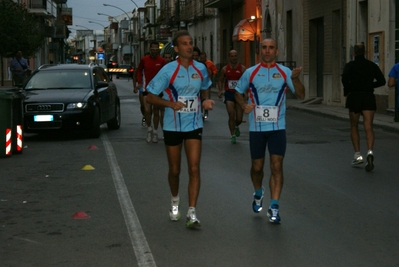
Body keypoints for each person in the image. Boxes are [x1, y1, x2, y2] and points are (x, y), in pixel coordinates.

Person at [146, 30, 214, 227]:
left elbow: (206, 86)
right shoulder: (168, 70)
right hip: (172, 125)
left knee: (194, 168)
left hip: (194, 123)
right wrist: (170, 104)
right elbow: (150, 96)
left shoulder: (200, 68)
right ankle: (175, 202)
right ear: (176, 49)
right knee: (175, 170)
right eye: (184, 44)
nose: (189, 46)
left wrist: (206, 99)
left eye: (191, 43)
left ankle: (192, 212)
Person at [235, 38, 305, 224]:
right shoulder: (250, 72)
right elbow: (237, 92)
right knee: (257, 168)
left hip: (277, 127)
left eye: (271, 48)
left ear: (277, 51)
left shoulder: (285, 72)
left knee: (276, 166)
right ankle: (258, 192)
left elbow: (301, 94)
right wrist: (243, 105)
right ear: (260, 51)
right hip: (256, 128)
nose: (267, 51)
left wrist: (296, 79)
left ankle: (274, 206)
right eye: (264, 48)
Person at [341, 43, 386, 172]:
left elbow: (344, 78)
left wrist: (347, 90)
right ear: (365, 52)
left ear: (354, 53)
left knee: (354, 125)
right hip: (368, 96)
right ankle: (370, 151)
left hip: (354, 96)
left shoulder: (350, 66)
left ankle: (358, 155)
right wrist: (370, 86)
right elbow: (382, 81)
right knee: (368, 126)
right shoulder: (371, 65)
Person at [134, 42, 166, 143]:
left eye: (156, 50)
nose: (154, 52)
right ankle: (149, 129)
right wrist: (139, 83)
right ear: (150, 49)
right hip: (146, 88)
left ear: (158, 50)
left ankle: (155, 132)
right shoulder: (144, 60)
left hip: (158, 89)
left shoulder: (162, 61)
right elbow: (139, 71)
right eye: (152, 50)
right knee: (147, 110)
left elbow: (166, 74)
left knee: (156, 111)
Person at [218, 50, 246, 144]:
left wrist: (246, 92)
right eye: (232, 56)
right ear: (229, 57)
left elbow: (246, 81)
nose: (234, 58)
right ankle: (232, 135)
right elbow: (221, 80)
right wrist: (220, 90)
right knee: (231, 114)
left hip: (239, 94)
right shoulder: (225, 69)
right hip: (229, 93)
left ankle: (236, 125)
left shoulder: (242, 68)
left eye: (235, 56)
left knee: (239, 118)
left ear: (237, 57)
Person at [200, 52, 217, 119]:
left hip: (207, 82)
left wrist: (212, 73)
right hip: (199, 83)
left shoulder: (210, 63)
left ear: (206, 57)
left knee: (206, 97)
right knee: (200, 97)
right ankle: (201, 112)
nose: (202, 59)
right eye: (201, 58)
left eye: (203, 58)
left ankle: (206, 111)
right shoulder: (198, 64)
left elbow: (215, 70)